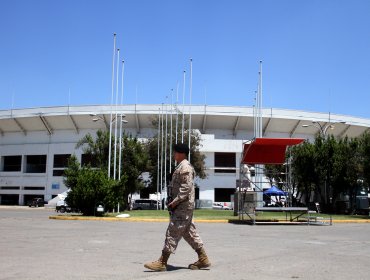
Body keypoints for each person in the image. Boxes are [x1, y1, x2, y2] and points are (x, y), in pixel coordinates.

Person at [144, 143, 211, 271]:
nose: (174, 154)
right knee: (189, 233)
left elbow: (186, 188)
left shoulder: (185, 167)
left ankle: (162, 262)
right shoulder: (180, 167)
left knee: (172, 231)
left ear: (181, 153)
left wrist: (174, 202)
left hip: (182, 206)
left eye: (175, 152)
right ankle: (203, 259)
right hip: (183, 206)